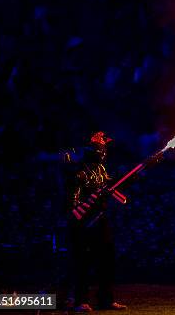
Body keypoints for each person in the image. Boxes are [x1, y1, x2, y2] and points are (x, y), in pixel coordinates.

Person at [64, 132, 127, 312]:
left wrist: (129, 178)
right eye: (100, 147)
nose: (103, 150)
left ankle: (105, 300)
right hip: (82, 223)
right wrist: (85, 211)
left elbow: (110, 186)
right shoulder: (78, 171)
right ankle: (79, 301)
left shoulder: (101, 169)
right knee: (82, 262)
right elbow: (72, 204)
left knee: (107, 261)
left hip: (100, 220)